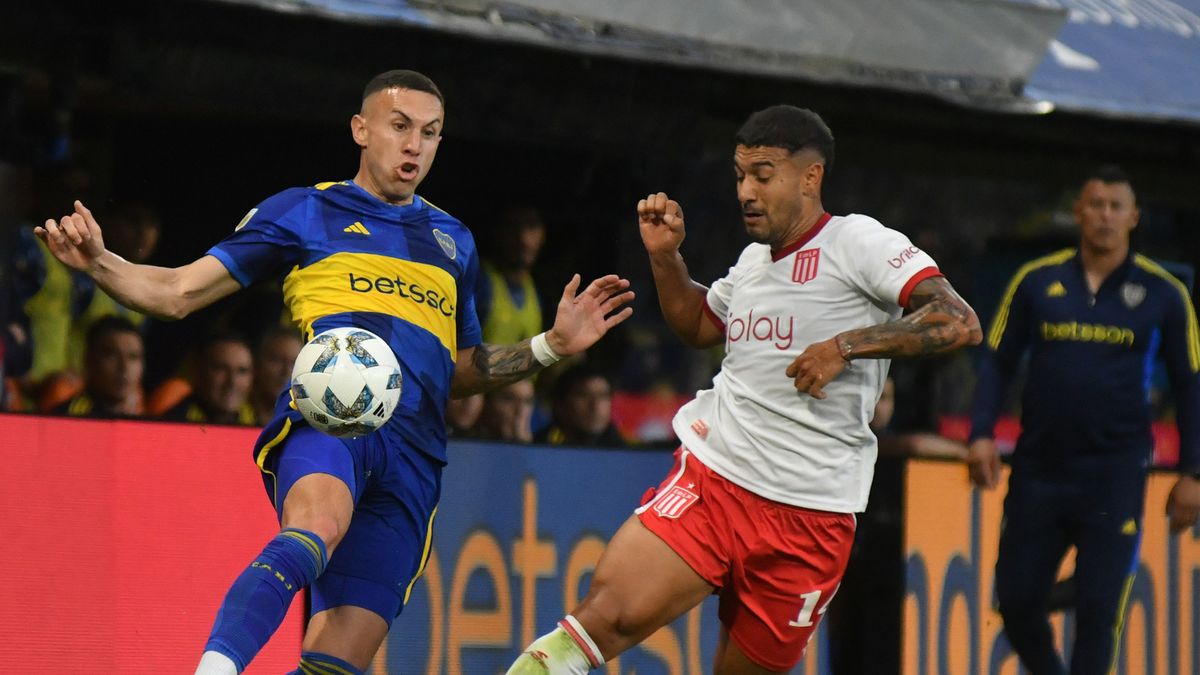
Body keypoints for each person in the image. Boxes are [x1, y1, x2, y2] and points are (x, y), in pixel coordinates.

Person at [37, 69, 634, 675]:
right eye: (399, 127)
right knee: (316, 527)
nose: (413, 146)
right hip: (332, 421)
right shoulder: (304, 211)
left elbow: (457, 370)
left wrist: (551, 346)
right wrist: (102, 263)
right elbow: (178, 292)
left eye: (429, 133)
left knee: (333, 662)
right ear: (361, 129)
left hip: (416, 458)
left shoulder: (454, 242)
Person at [507, 104, 981, 674]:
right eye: (739, 175)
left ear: (810, 177)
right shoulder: (755, 261)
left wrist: (845, 346)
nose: (745, 191)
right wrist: (665, 259)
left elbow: (957, 320)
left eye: (763, 173)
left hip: (813, 516)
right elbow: (700, 324)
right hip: (716, 483)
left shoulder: (859, 241)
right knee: (599, 621)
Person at [966, 164, 1200, 673]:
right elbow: (998, 361)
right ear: (1078, 212)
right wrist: (980, 434)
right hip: (1040, 470)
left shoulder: (1165, 294)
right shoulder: (1036, 281)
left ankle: (1096, 586)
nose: (1105, 217)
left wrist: (1192, 473)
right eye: (1096, 205)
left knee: (1099, 611)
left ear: (1134, 216)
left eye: (1117, 207)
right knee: (1017, 599)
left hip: (1115, 473)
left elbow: (1191, 385)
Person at [476, 202, 546, 343]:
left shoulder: (536, 290)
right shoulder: (478, 284)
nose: (523, 239)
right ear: (496, 231)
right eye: (512, 227)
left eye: (532, 226)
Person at [51, 314, 144, 418]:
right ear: (89, 360)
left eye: (133, 357)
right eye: (111, 356)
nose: (124, 368)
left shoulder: (148, 418)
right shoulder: (68, 418)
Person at [164, 331, 256, 426]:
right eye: (221, 369)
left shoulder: (261, 424)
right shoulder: (173, 424)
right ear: (199, 370)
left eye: (242, 371)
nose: (232, 382)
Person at [535, 362, 626, 447]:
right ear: (560, 404)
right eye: (584, 395)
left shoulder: (628, 454)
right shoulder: (538, 447)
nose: (595, 406)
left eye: (603, 396)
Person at [250, 325, 303, 425]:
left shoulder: (306, 423)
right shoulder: (234, 410)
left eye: (294, 363)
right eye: (277, 360)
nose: (286, 372)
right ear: (257, 364)